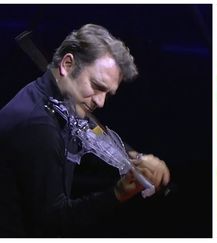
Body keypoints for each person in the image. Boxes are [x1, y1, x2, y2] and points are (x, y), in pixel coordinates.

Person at [0, 24, 170, 237]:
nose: (101, 102)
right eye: (97, 86)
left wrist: (135, 157)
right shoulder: (38, 126)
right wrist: (116, 194)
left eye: (108, 93)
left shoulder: (61, 102)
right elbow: (53, 224)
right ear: (67, 64)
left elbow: (93, 129)